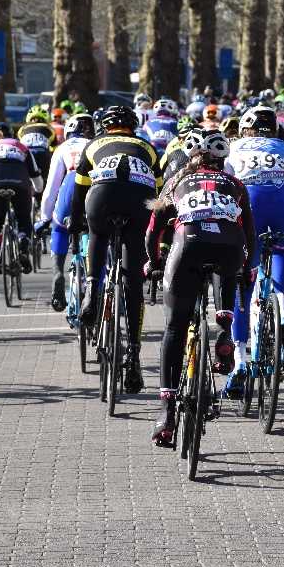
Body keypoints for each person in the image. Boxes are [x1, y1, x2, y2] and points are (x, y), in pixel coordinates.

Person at [146, 130, 254, 445]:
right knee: (228, 263)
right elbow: (248, 233)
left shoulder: (178, 182)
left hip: (187, 245)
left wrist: (152, 263)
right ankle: (223, 329)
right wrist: (246, 270)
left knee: (175, 328)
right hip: (228, 248)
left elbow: (153, 231)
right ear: (223, 160)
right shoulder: (235, 185)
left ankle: (166, 412)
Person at [70, 105, 162, 394]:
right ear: (133, 128)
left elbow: (79, 191)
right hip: (138, 199)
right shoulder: (147, 147)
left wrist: (77, 225)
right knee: (132, 277)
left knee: (97, 233)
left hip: (102, 196)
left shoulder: (93, 145)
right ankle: (133, 353)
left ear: (104, 127)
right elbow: (159, 195)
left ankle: (91, 290)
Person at [223, 105, 284, 394]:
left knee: (243, 282)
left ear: (246, 129)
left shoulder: (234, 147)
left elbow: (226, 187)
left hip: (250, 202)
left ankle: (240, 363)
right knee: (283, 251)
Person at [37, 113, 95, 311]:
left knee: (59, 228)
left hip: (70, 187)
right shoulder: (96, 145)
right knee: (93, 232)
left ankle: (58, 274)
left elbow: (52, 187)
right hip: (93, 192)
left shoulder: (63, 148)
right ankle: (95, 285)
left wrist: (45, 218)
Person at [0, 122, 42, 274]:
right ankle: (23, 242)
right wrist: (38, 192)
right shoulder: (21, 146)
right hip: (18, 180)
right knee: (23, 217)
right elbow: (35, 175)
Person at [17, 106, 57, 184]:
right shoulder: (49, 128)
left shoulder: (22, 129)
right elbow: (54, 147)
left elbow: (20, 143)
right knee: (45, 180)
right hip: (42, 153)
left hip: (27, 154)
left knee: (26, 178)